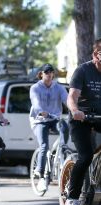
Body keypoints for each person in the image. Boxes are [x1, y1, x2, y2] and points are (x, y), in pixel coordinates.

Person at [66, 38, 101, 205]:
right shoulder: (83, 70)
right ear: (96, 54)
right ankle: (72, 199)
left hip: (100, 117)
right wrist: (75, 110)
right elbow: (72, 96)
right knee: (85, 156)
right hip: (82, 118)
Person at [29, 63, 69, 192]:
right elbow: (35, 102)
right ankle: (40, 173)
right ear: (41, 74)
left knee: (64, 127)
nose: (50, 75)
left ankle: (62, 150)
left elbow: (67, 99)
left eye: (52, 72)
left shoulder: (58, 87)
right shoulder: (35, 88)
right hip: (39, 120)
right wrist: (41, 111)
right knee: (44, 146)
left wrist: (74, 109)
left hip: (54, 118)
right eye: (47, 72)